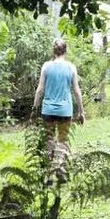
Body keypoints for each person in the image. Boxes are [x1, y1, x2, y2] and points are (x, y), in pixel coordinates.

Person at [32, 38, 85, 174]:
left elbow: (40, 89)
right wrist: (81, 111)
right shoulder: (71, 67)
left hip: (48, 109)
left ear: (53, 51)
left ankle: (50, 169)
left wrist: (34, 107)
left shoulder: (46, 66)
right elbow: (77, 91)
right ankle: (59, 167)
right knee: (62, 139)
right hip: (64, 110)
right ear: (65, 51)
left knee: (49, 138)